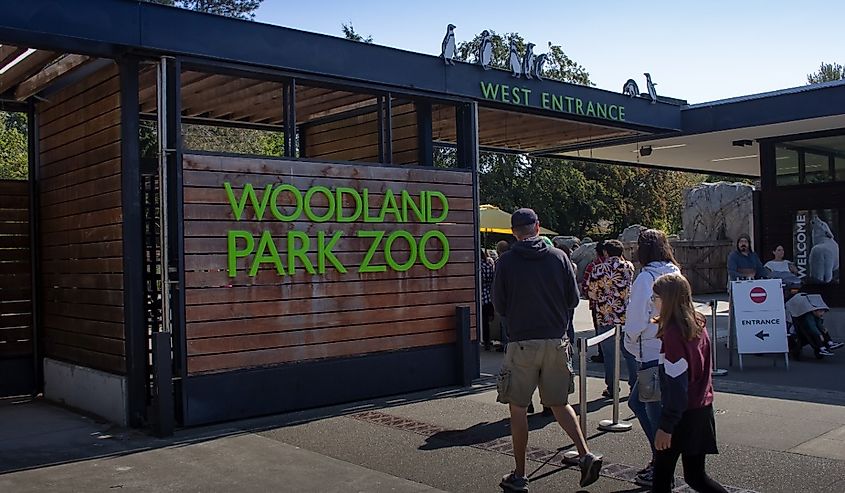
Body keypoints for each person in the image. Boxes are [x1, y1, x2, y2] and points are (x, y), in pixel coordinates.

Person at [493, 208, 603, 492]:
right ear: (538, 227)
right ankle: (585, 454)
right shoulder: (559, 257)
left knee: (517, 408)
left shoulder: (506, 262)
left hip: (522, 342)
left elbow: (499, 304)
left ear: (513, 231)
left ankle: (519, 474)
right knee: (558, 402)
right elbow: (573, 299)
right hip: (556, 340)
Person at [651, 274, 728, 493]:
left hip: (682, 414)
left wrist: (666, 426)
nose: (653, 301)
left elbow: (677, 386)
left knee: (663, 476)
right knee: (695, 476)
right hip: (701, 408)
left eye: (655, 296)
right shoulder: (696, 323)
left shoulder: (674, 334)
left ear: (668, 299)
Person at [622, 229, 681, 488]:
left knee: (648, 407)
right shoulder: (675, 272)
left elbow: (636, 317)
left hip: (649, 350)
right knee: (642, 403)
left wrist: (629, 341)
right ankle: (660, 459)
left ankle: (662, 463)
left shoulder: (645, 278)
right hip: (669, 347)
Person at [587, 239, 635, 398]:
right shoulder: (629, 267)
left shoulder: (599, 269)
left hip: (605, 315)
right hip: (625, 315)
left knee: (609, 355)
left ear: (606, 252)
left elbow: (591, 292)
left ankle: (612, 387)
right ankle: (635, 384)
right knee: (629, 352)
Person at [584, 241, 607, 363]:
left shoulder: (593, 266)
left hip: (597, 304)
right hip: (617, 306)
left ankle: (602, 353)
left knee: (599, 329)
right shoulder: (625, 266)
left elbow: (586, 286)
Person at [494, 240, 511, 351]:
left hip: (506, 301)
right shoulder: (515, 260)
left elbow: (497, 285)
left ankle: (506, 345)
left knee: (505, 325)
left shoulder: (501, 262)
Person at [480, 249, 496, 351]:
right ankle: (487, 342)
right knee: (487, 321)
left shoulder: (478, 267)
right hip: (489, 297)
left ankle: (482, 340)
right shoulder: (489, 266)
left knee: (482, 321)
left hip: (480, 297)